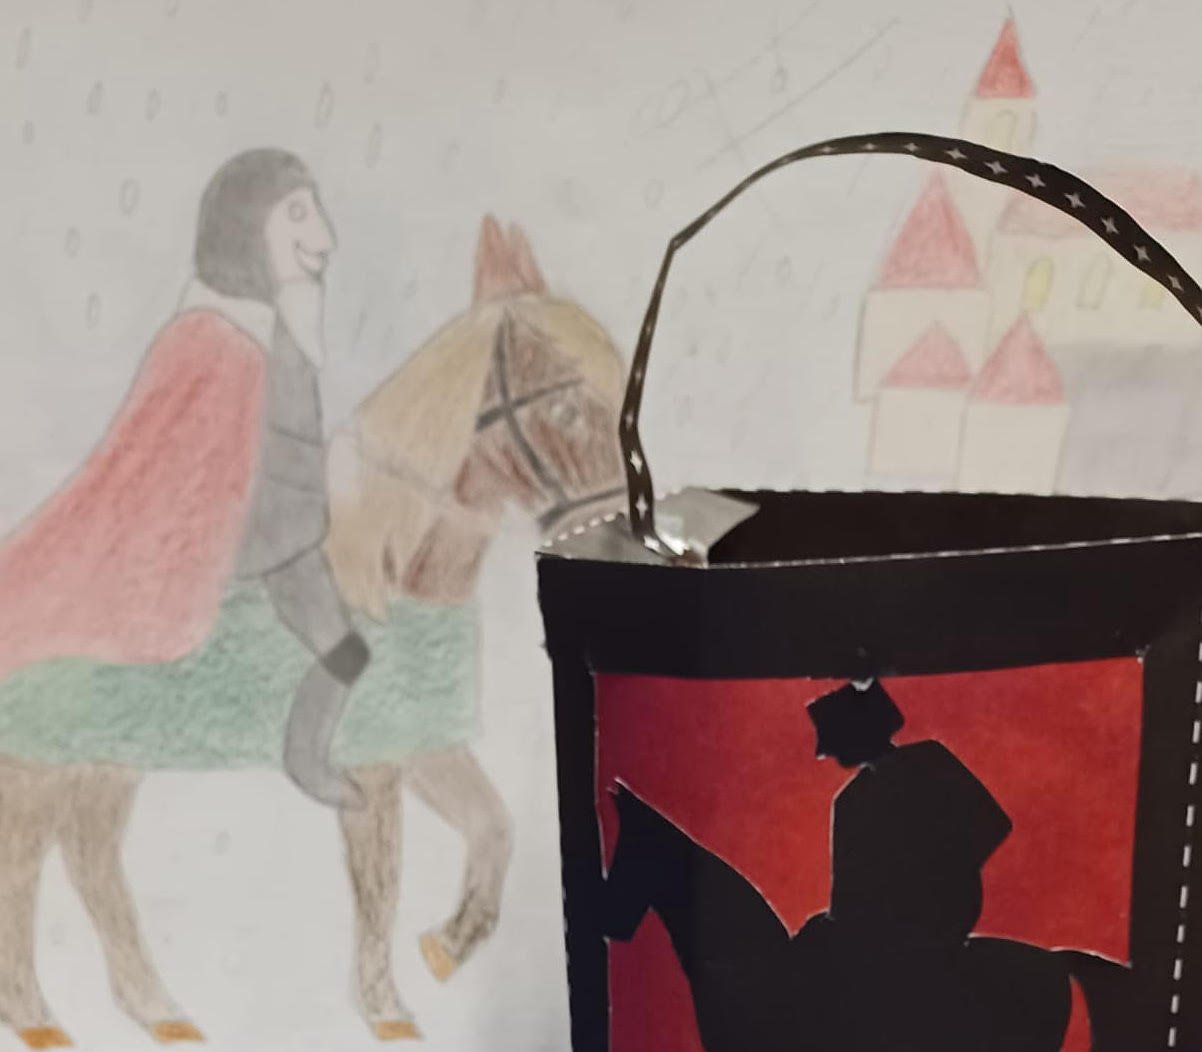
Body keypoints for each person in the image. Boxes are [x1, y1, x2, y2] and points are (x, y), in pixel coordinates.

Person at [0, 149, 364, 809]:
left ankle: (305, 753)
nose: (324, 239)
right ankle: (300, 754)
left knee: (350, 651)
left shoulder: (281, 325)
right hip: (251, 544)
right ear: (248, 229)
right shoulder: (211, 338)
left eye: (316, 213)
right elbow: (159, 467)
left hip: (292, 536)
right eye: (298, 215)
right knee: (332, 651)